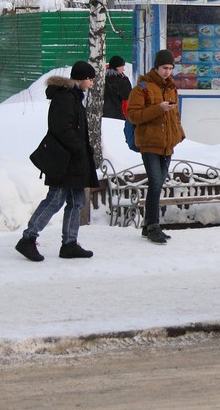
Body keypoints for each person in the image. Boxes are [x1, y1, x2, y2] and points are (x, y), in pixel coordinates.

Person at [15, 61, 100, 262]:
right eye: (90, 78)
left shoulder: (74, 96)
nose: (92, 82)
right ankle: (28, 239)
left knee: (76, 201)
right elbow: (61, 128)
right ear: (80, 78)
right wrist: (79, 148)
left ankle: (69, 243)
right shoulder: (65, 97)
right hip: (64, 160)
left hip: (73, 160)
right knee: (55, 200)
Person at [127, 49, 186, 245]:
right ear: (156, 67)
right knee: (155, 183)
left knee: (158, 184)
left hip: (167, 144)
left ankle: (148, 225)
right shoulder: (142, 87)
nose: (167, 72)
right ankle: (153, 226)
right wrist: (157, 108)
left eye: (170, 68)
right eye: (164, 68)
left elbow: (174, 116)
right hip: (149, 143)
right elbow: (133, 115)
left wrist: (179, 134)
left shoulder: (171, 88)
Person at [102, 55, 132, 120]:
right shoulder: (120, 81)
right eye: (122, 67)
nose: (123, 69)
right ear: (117, 67)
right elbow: (128, 95)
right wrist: (126, 80)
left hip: (104, 113)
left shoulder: (103, 79)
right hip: (117, 114)